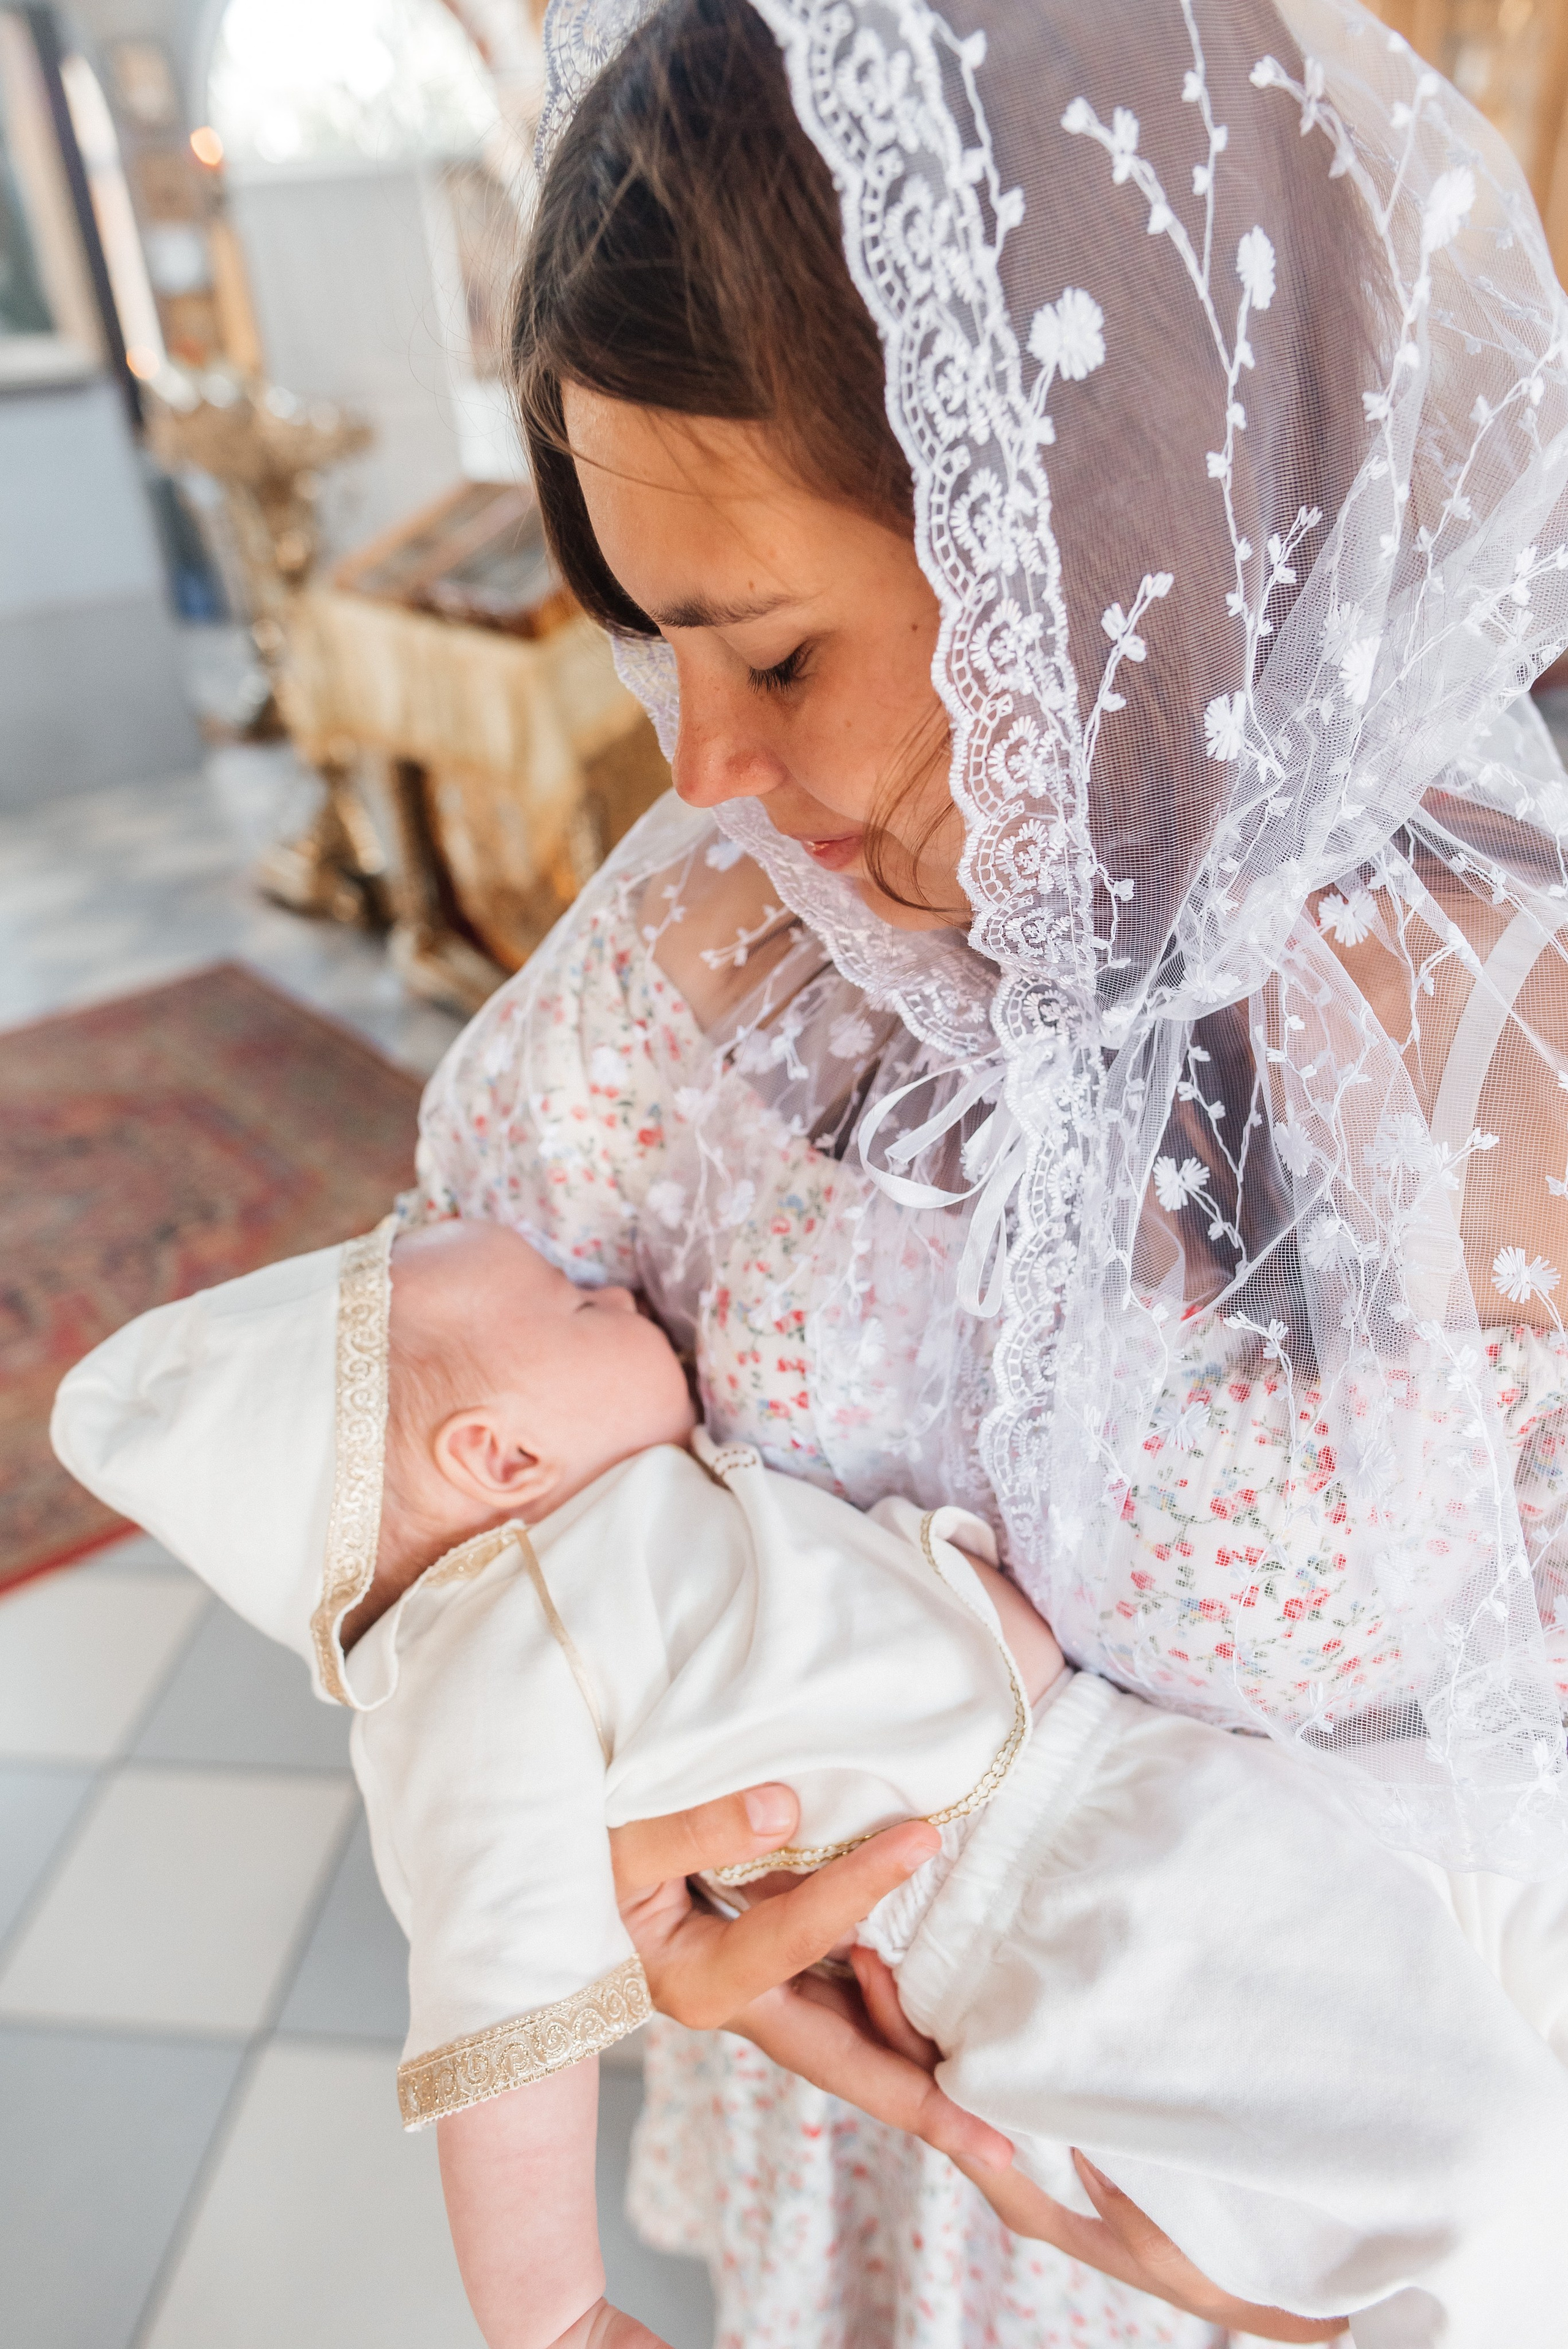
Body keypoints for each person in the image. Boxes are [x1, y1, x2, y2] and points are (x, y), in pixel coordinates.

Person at [413, 0, 1568, 2337]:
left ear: (1104, 523)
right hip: (862, 2213)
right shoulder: (715, 956)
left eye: (777, 650)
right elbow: (423, 1457)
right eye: (657, 651)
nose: (705, 768)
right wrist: (622, 1861)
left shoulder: (1509, 1060)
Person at [48, 1217, 1568, 2348]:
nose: (627, 1296)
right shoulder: (493, 1659)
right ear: (497, 1455)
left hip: (1119, 1792)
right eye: (583, 1305)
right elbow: (499, 2011)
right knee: (1468, 2150)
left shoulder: (594, 1540)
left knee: (1478, 1950)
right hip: (1037, 1894)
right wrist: (553, 2313)